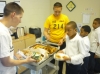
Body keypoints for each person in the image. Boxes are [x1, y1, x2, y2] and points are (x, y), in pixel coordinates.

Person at [0, 2, 36, 74]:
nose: (20, 21)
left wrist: (14, 54)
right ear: (13, 15)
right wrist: (25, 61)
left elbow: (4, 49)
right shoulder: (2, 33)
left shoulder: (4, 28)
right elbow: (6, 62)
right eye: (20, 17)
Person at [43, 2, 69, 74]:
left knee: (60, 61)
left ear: (61, 9)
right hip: (52, 43)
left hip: (61, 43)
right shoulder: (49, 18)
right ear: (53, 9)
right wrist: (47, 35)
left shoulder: (65, 18)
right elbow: (45, 31)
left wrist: (62, 39)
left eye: (59, 12)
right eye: (55, 11)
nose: (57, 13)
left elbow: (67, 31)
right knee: (52, 61)